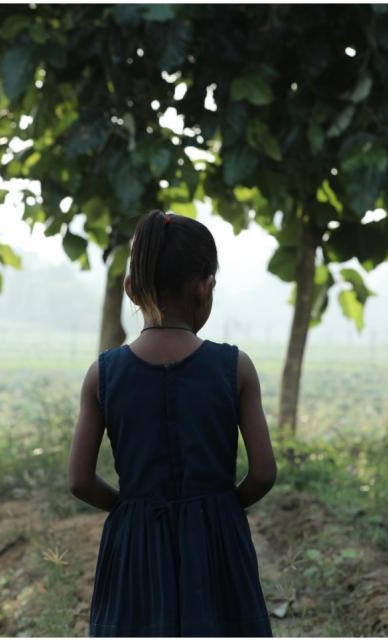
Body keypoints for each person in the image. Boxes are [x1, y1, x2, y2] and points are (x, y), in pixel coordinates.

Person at [68, 209, 277, 637]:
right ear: (205, 287)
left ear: (130, 288)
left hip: (135, 545)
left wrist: (131, 507)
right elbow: (262, 473)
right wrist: (221, 507)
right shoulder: (235, 367)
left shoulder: (103, 374)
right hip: (219, 543)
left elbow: (79, 480)